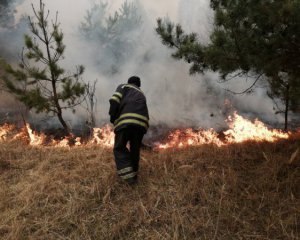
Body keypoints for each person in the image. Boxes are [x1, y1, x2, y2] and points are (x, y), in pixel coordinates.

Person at [109, 76, 149, 185]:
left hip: (126, 122)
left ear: (129, 82)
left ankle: (129, 178)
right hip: (141, 125)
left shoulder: (123, 86)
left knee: (119, 148)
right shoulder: (141, 93)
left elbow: (114, 100)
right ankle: (134, 174)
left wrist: (112, 116)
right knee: (135, 150)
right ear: (138, 85)